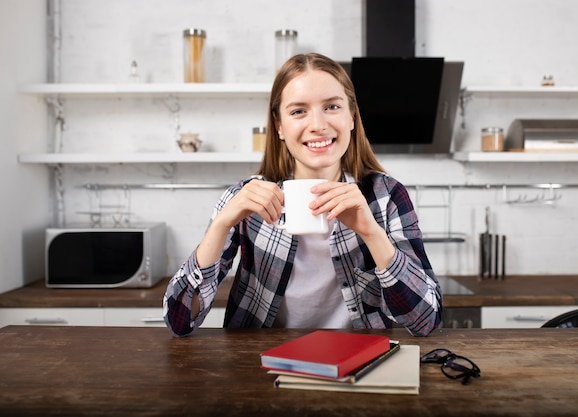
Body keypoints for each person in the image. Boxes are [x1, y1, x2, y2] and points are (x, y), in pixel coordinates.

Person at [164, 53, 442, 337]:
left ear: (352, 117)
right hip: (261, 366)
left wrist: (372, 233)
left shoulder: (387, 196)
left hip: (358, 365)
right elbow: (179, 321)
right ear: (279, 127)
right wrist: (221, 224)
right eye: (298, 111)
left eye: (332, 106)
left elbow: (426, 321)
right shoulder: (245, 198)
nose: (318, 125)